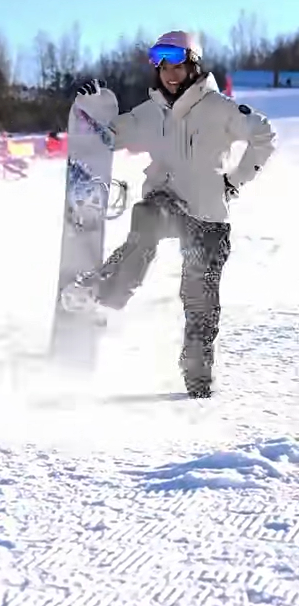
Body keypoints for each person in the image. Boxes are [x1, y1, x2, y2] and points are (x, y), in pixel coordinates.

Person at [63, 31, 276, 397]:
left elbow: (264, 135)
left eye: (179, 66)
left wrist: (236, 180)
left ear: (193, 66)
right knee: (144, 226)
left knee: (199, 300)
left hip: (208, 215)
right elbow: (106, 136)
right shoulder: (149, 112)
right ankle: (101, 293)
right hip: (166, 203)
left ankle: (197, 379)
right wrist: (89, 109)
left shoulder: (219, 108)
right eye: (164, 68)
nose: (171, 75)